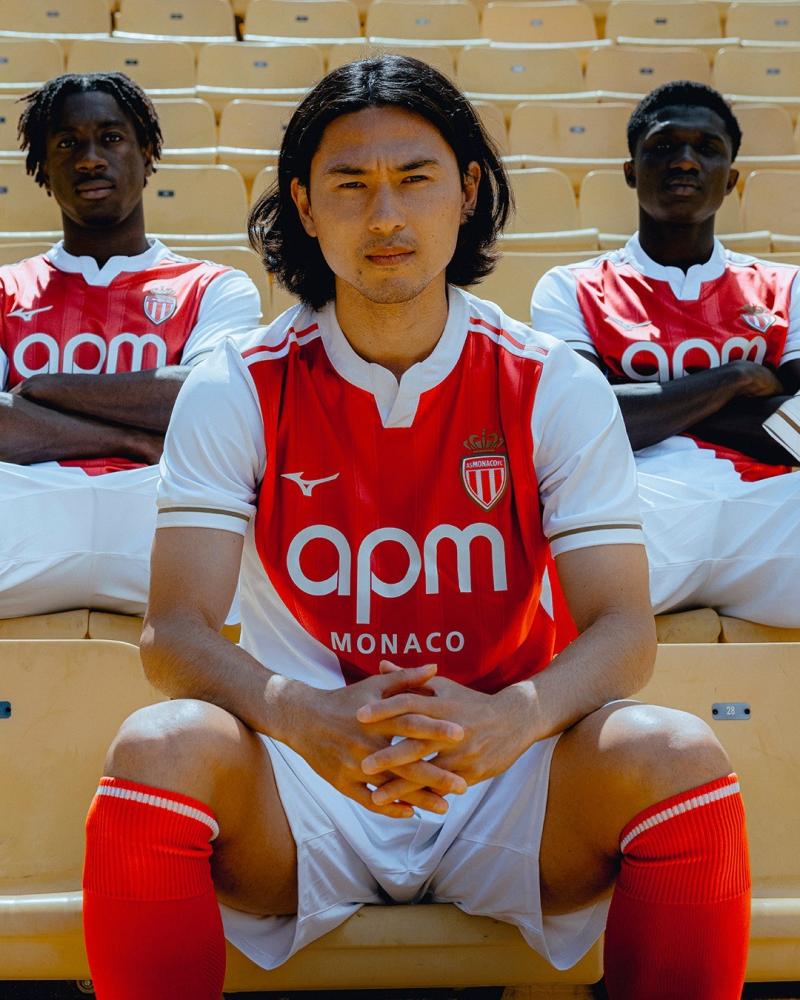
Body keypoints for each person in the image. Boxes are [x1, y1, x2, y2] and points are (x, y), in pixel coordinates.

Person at [82, 58, 750, 1000]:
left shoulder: (551, 381)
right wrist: (304, 718)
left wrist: (512, 721)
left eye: (414, 177)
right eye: (350, 184)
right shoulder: (237, 381)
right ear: (305, 206)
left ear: (468, 191)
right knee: (158, 747)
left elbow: (623, 631)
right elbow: (174, 633)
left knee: (677, 758)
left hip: (506, 770)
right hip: (305, 777)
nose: (385, 215)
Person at [532, 80, 800, 627]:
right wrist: (735, 378)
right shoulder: (571, 287)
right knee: (538, 585)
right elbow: (585, 425)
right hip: (636, 508)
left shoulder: (788, 287)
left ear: (731, 178)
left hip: (773, 512)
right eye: (663, 146)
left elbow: (798, 429)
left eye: (707, 148)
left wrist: (646, 407)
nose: (685, 161)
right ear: (631, 170)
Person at [0, 72, 261, 618]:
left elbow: (202, 400)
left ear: (146, 154)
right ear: (42, 168)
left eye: (111, 138)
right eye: (67, 144)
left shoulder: (214, 286)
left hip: (161, 524)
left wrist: (44, 388)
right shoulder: (6, 290)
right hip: (23, 526)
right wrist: (133, 437)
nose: (90, 159)